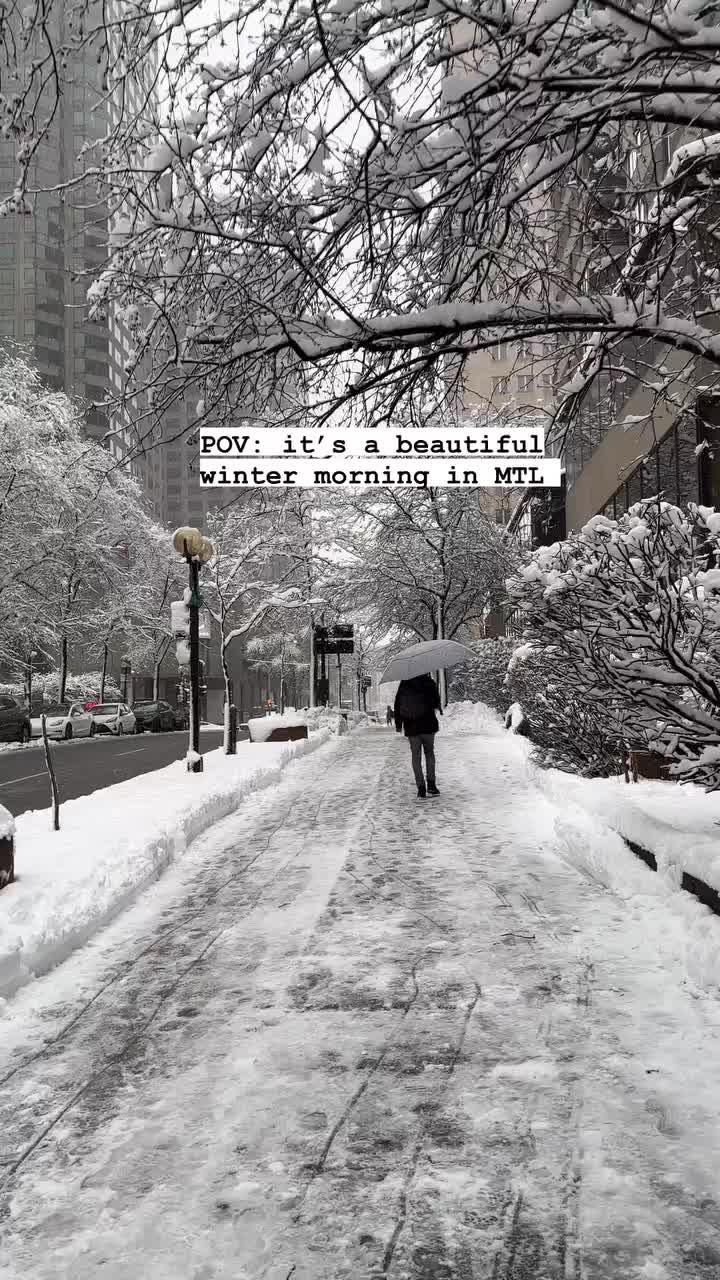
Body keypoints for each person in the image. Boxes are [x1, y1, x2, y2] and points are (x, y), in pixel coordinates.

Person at [394, 673, 442, 798]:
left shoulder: (404, 683)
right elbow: (436, 702)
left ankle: (421, 787)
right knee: (429, 754)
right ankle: (431, 785)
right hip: (428, 725)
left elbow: (397, 704)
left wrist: (399, 724)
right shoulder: (429, 682)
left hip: (412, 727)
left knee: (416, 756)